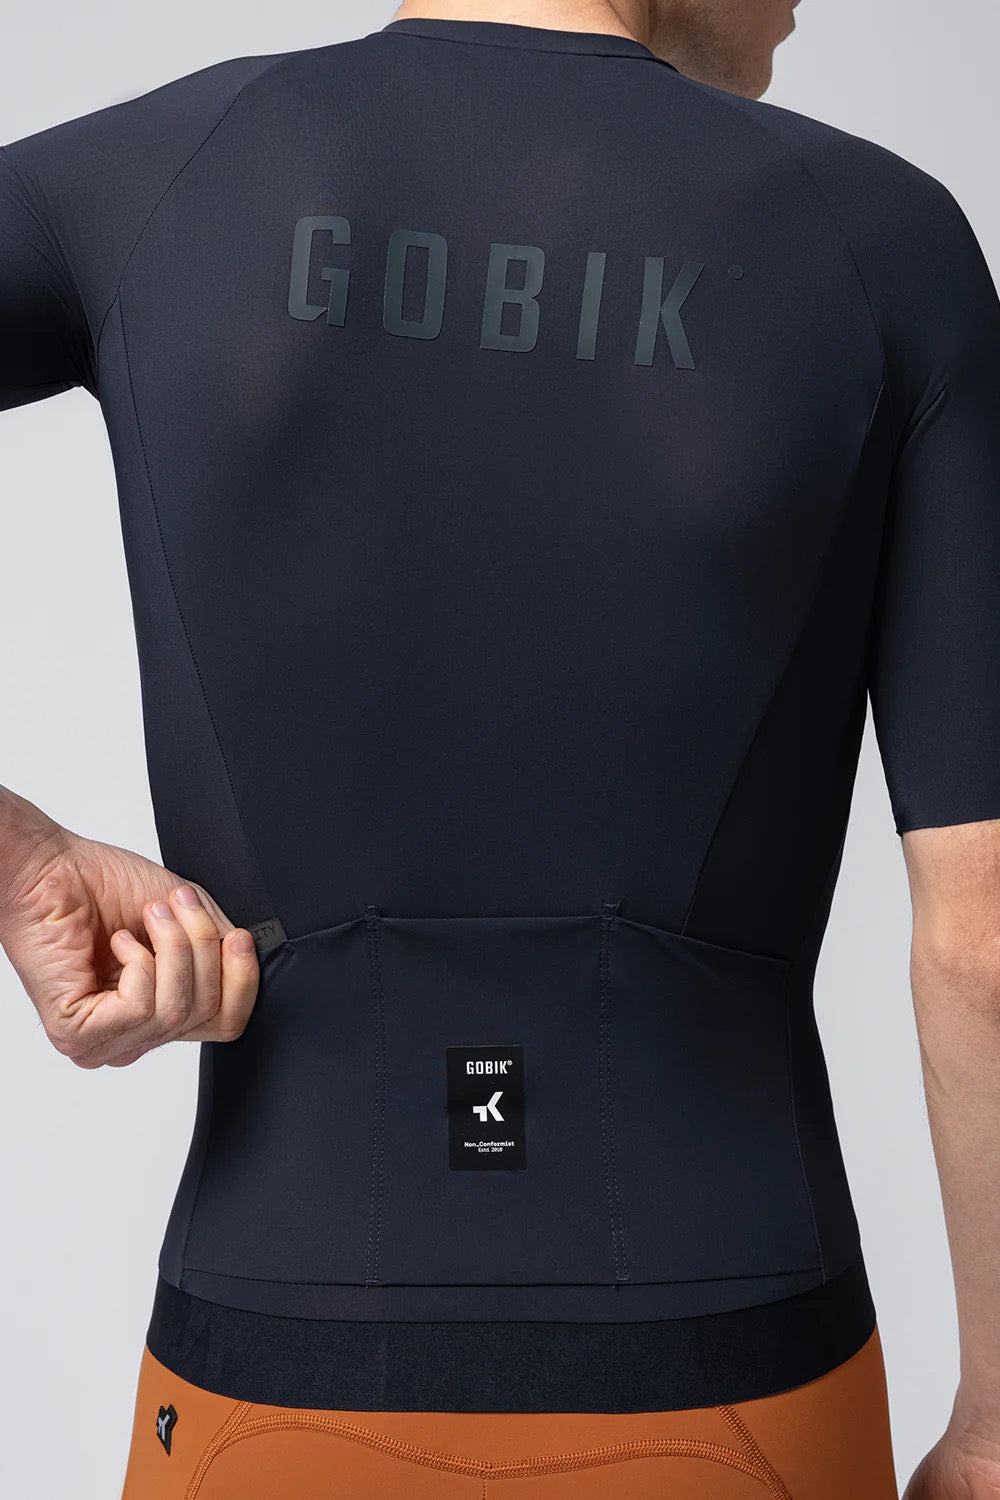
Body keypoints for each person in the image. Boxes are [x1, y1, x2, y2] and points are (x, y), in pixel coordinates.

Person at [1, 0, 999, 1494]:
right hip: (735, 1371)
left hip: (268, 1370)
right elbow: (983, 942)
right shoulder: (885, 244)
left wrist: (16, 862)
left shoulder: (159, 177)